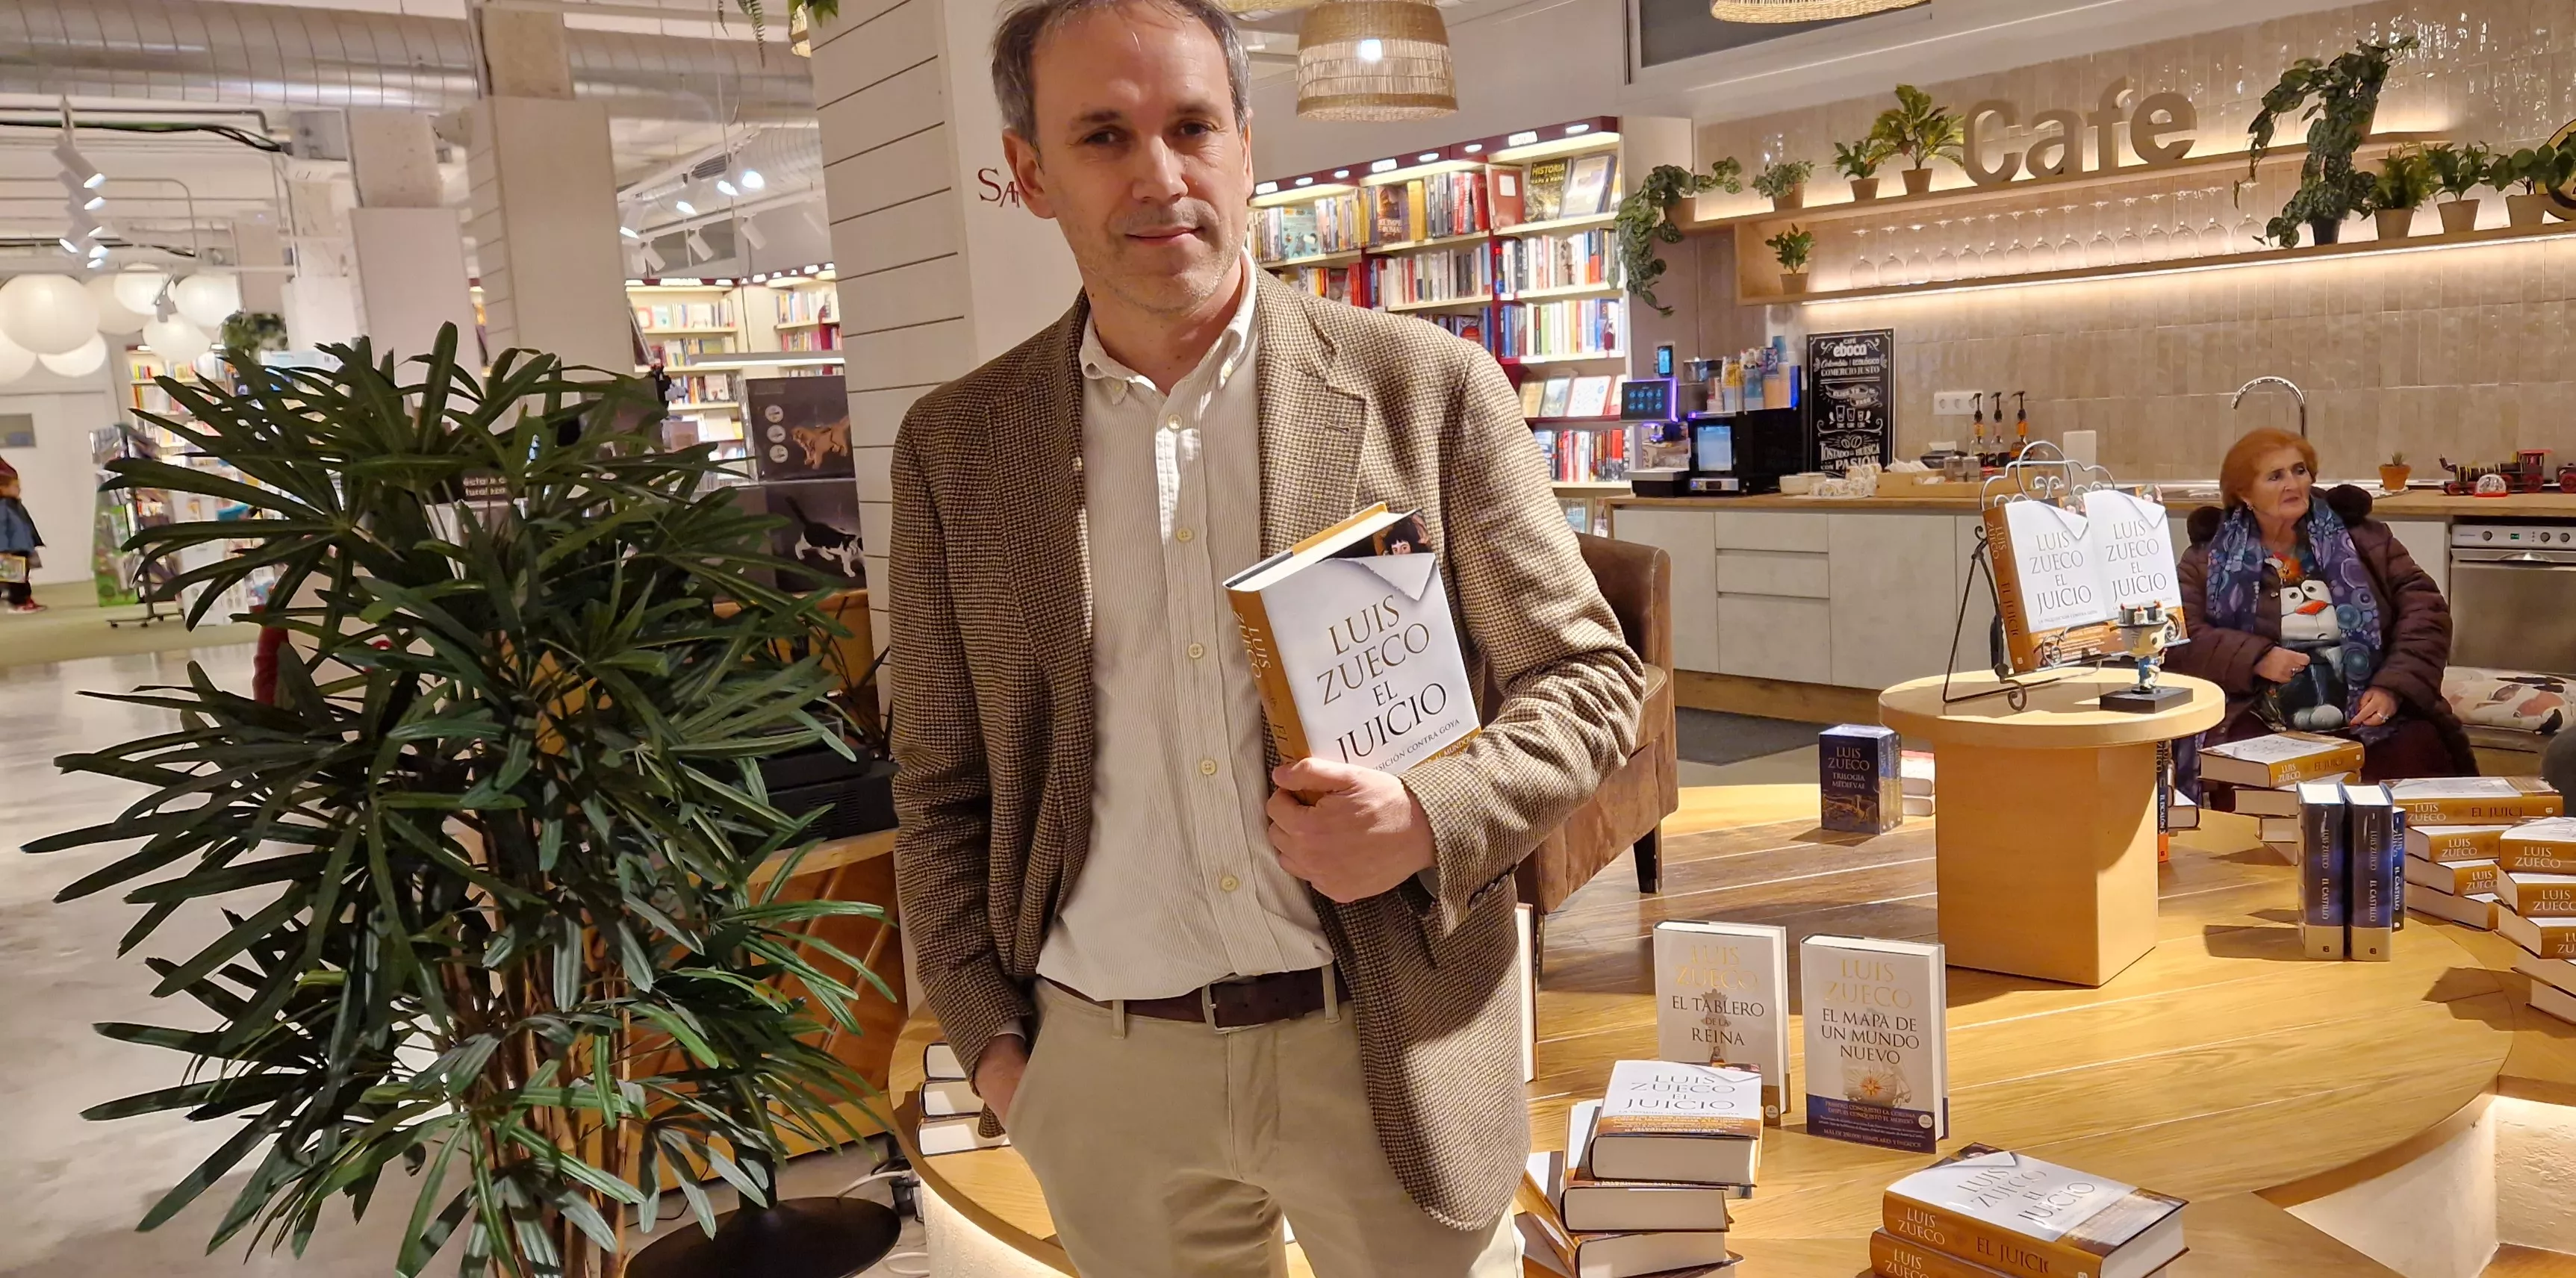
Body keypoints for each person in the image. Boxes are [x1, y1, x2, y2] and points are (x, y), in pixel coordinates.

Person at [885, 0, 1647, 1273]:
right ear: (1029, 172)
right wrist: (1005, 1055)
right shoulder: (959, 448)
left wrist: (1425, 814)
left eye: (1192, 126)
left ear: (1247, 141)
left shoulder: (1425, 389)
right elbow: (939, 783)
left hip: (1389, 1039)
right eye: (1103, 136)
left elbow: (1589, 682)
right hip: (1109, 1075)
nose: (1160, 176)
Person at [2168, 426, 2475, 782]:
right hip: (2256, 715)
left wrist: (2392, 688)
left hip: (2369, 716)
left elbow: (2426, 612)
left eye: (2299, 471)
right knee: (2244, 779)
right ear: (2244, 493)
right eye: (2275, 476)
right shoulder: (2206, 557)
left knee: (2413, 756)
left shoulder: (2365, 539)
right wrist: (2256, 657)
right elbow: (2179, 634)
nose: (2293, 485)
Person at [0, 458, 43, 614]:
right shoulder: (3, 507)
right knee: (14, 578)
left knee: (23, 575)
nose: (19, 489)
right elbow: (2, 528)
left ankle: (25, 598)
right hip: (11, 548)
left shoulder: (16, 505)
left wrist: (33, 541)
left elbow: (26, 525)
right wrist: (3, 549)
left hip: (23, 546)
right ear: (2, 488)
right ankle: (17, 602)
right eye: (15, 487)